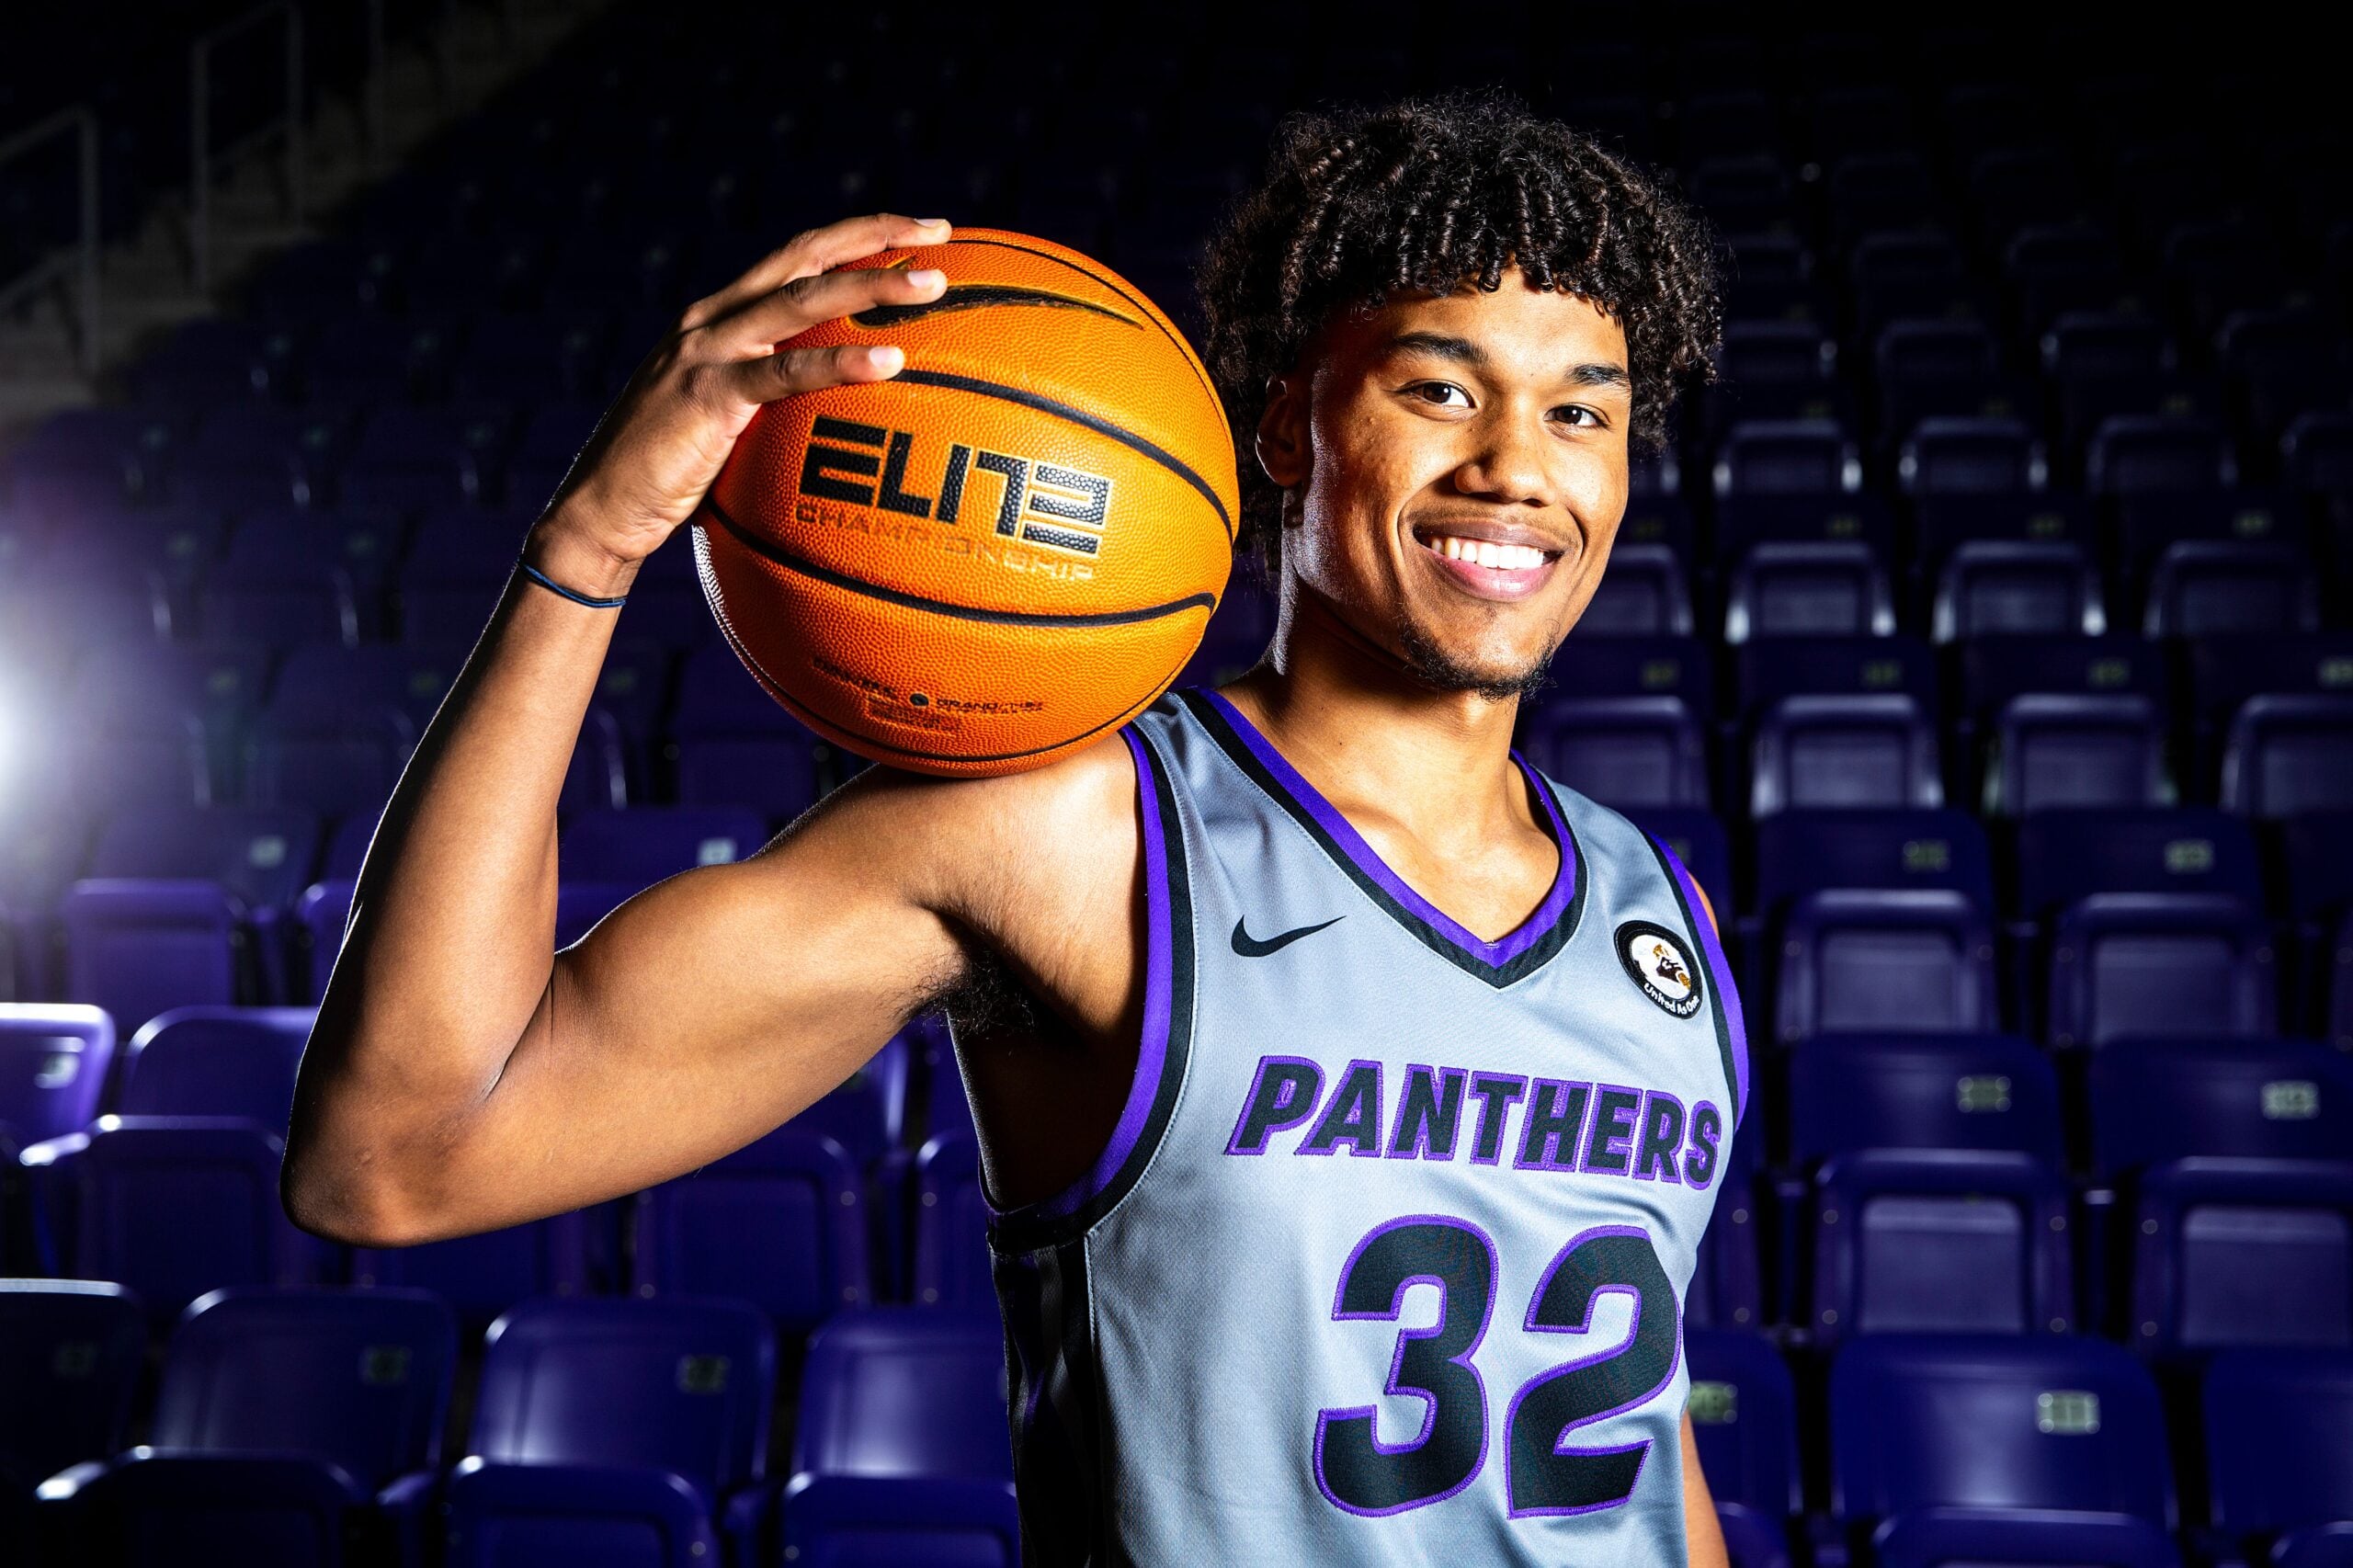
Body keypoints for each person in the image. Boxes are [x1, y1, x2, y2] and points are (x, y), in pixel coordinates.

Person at [284, 91, 1737, 1565]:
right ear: (1289, 424)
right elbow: (393, 1156)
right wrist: (588, 547)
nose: (1518, 465)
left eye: (1581, 411)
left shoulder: (1656, 916)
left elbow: (1646, 1453)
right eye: (1440, 391)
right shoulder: (1068, 832)